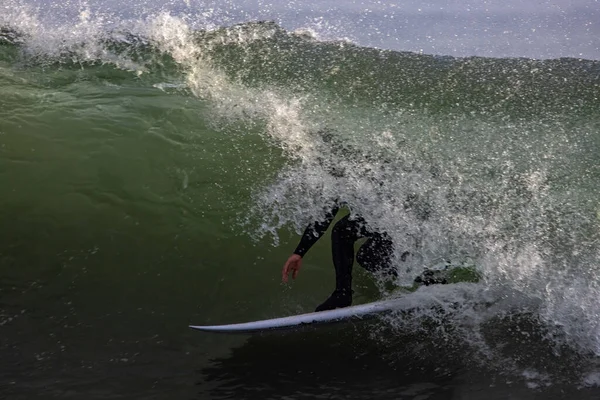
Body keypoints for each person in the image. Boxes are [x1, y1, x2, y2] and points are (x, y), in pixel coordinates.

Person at [281, 200, 405, 312]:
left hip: (404, 213)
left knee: (362, 251)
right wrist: (299, 252)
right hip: (392, 213)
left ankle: (423, 278)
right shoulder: (338, 178)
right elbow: (326, 215)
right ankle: (342, 294)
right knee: (348, 237)